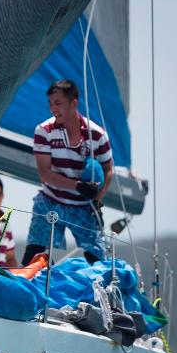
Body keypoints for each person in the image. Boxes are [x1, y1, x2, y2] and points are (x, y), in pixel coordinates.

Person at [22, 79, 113, 266]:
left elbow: (108, 169)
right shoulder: (44, 131)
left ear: (74, 103)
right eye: (50, 103)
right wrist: (78, 185)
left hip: (83, 207)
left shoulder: (97, 135)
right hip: (50, 201)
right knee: (32, 257)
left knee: (100, 262)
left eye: (58, 103)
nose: (52, 109)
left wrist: (97, 199)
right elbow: (44, 174)